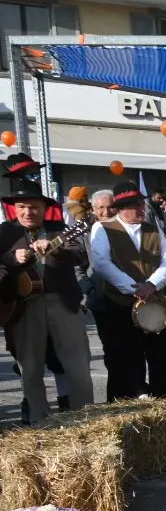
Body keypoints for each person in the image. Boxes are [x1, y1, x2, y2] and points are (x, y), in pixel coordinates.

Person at [0, 165, 93, 423]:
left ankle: (85, 420)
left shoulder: (59, 228)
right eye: (22, 207)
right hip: (24, 307)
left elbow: (80, 255)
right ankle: (39, 422)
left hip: (62, 302)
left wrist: (56, 250)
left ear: (43, 208)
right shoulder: (5, 232)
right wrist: (11, 258)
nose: (27, 212)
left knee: (78, 367)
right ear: (14, 208)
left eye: (34, 207)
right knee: (29, 370)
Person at [88, 180, 166, 400]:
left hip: (153, 304)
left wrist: (152, 284)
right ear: (120, 208)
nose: (140, 208)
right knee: (126, 358)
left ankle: (164, 399)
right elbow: (102, 263)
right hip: (119, 304)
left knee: (160, 357)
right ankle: (125, 401)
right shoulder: (103, 228)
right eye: (134, 205)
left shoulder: (153, 229)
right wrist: (132, 287)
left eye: (140, 203)